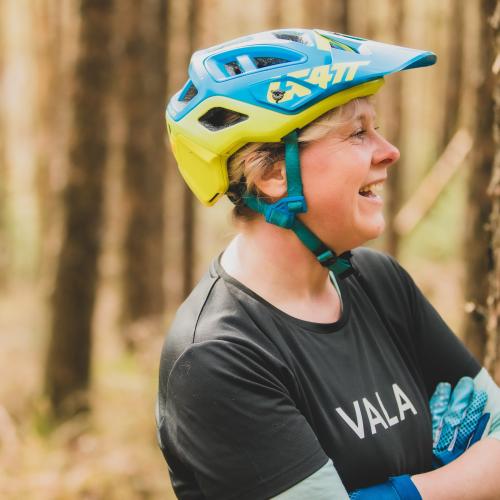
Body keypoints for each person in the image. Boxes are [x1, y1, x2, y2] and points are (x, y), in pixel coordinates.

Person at [156, 29, 500, 499]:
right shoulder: (217, 355)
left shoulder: (380, 282)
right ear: (273, 173)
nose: (389, 151)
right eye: (358, 132)